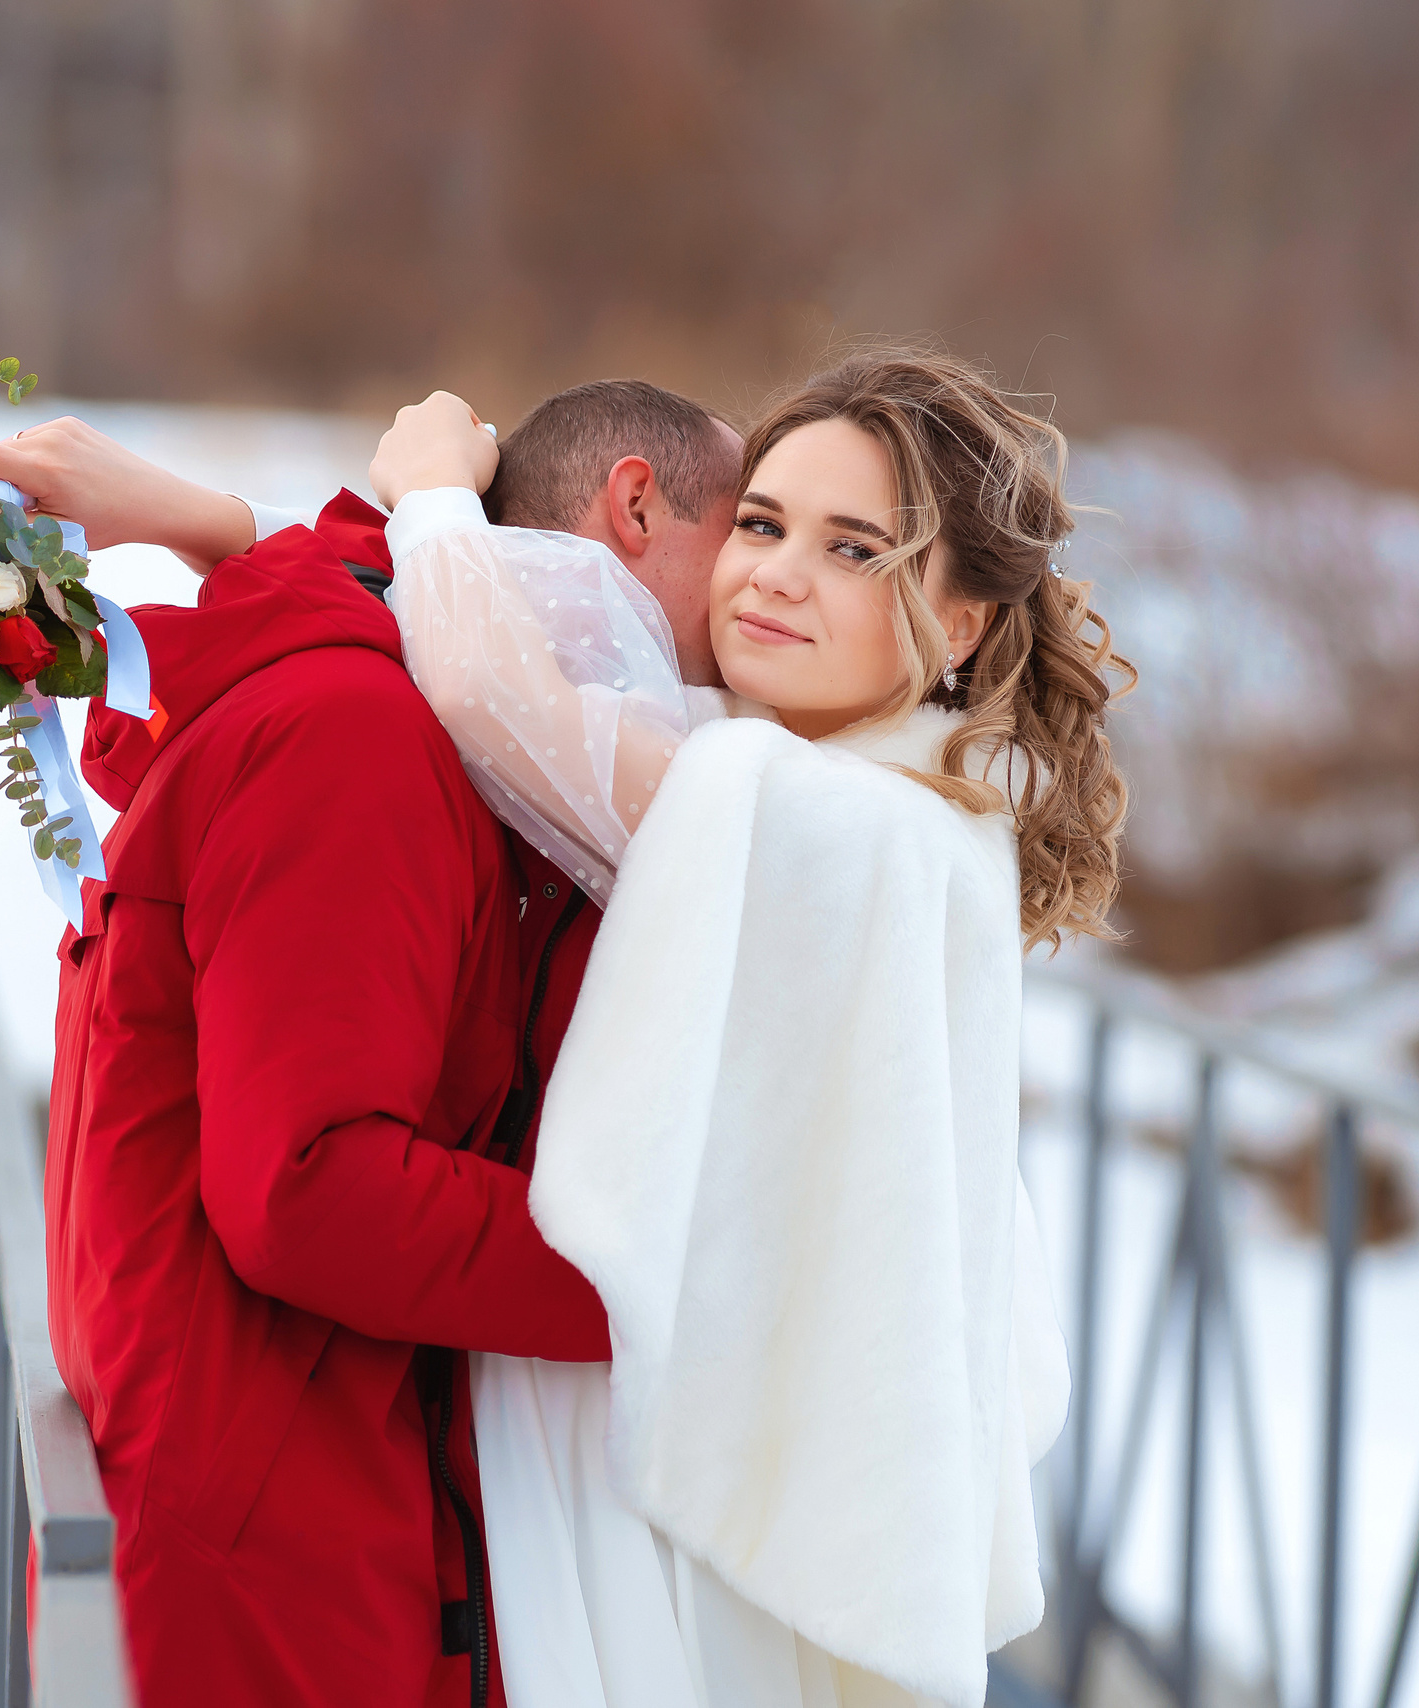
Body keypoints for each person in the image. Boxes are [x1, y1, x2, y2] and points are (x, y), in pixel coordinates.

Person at [364, 348, 1131, 1708]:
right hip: (751, 1455)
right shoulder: (901, 794)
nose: (775, 574)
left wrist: (425, 500)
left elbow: (500, 698)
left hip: (689, 1510)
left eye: (855, 550)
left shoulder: (822, 820)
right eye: (763, 524)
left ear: (957, 624)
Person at [0, 378, 745, 1708]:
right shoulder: (360, 734)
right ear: (635, 508)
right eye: (749, 535)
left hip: (287, 1493)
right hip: (270, 1553)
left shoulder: (387, 697)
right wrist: (672, 1290)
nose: (755, 600)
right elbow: (309, 1186)